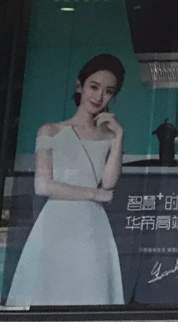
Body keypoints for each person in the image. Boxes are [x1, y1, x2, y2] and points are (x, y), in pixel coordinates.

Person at [5, 54, 128, 306]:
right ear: (79, 86)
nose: (99, 97)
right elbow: (43, 186)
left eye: (108, 91)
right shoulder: (50, 131)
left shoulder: (108, 136)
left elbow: (108, 183)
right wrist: (94, 194)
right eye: (93, 87)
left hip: (92, 224)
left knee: (90, 289)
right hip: (57, 221)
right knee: (50, 290)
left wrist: (118, 138)